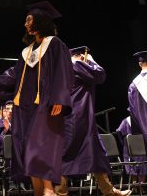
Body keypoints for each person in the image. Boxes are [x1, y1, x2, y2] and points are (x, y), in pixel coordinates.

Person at [0, 1, 74, 196]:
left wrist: (59, 98)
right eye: (26, 21)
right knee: (26, 148)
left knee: (40, 146)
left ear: (41, 21)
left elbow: (63, 72)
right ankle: (38, 191)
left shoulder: (55, 44)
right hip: (24, 107)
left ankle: (49, 190)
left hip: (46, 104)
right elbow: (13, 75)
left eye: (29, 20)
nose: (26, 24)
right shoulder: (26, 52)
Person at [55, 46, 131, 196]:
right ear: (81, 56)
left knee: (96, 154)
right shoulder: (76, 65)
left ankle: (109, 191)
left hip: (77, 119)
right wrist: (91, 60)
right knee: (66, 156)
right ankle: (60, 192)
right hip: (76, 119)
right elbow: (100, 75)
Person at [128, 50, 147, 192]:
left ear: (140, 64)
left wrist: (139, 133)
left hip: (146, 133)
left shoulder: (133, 85)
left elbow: (133, 113)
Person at [115, 116, 147, 183]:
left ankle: (134, 184)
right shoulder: (143, 118)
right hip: (141, 144)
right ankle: (141, 185)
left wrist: (122, 141)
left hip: (129, 144)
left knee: (131, 164)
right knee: (143, 163)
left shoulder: (126, 120)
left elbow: (119, 131)